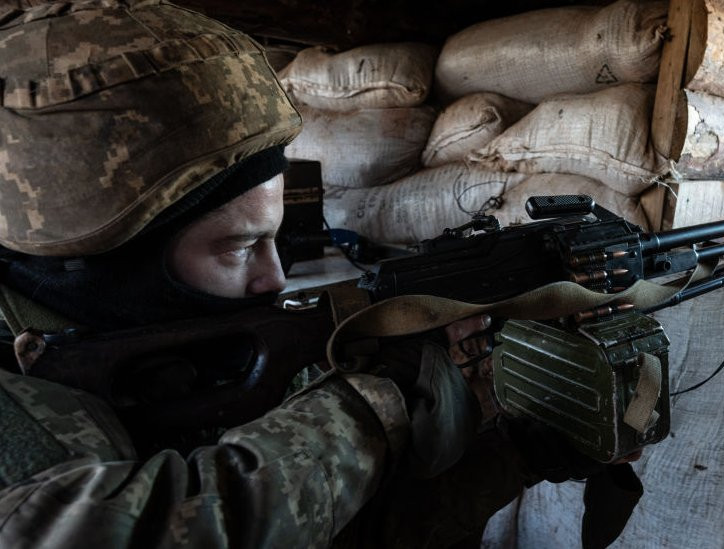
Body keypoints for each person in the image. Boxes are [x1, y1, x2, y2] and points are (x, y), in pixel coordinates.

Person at [0, 1, 537, 546]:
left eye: (273, 239)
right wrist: (365, 410)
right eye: (237, 248)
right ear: (108, 267)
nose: (274, 279)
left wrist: (514, 456)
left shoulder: (184, 362)